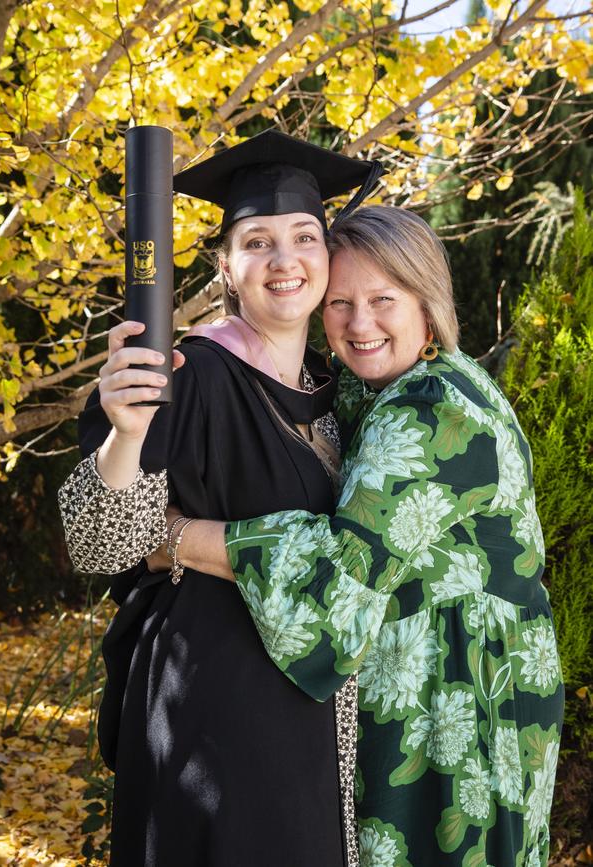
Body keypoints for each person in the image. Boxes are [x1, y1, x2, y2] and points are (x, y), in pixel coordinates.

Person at [165, 205, 565, 867]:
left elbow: (337, 572)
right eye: (341, 302)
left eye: (384, 300)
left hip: (461, 691)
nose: (359, 323)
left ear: (426, 304)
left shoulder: (429, 412)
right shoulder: (400, 385)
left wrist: (178, 534)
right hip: (470, 671)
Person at [58, 130, 383, 867]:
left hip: (306, 718)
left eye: (304, 235)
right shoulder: (189, 374)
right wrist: (123, 434)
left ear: (327, 255)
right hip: (215, 723)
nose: (284, 259)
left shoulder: (339, 394)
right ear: (227, 267)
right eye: (256, 240)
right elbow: (101, 545)